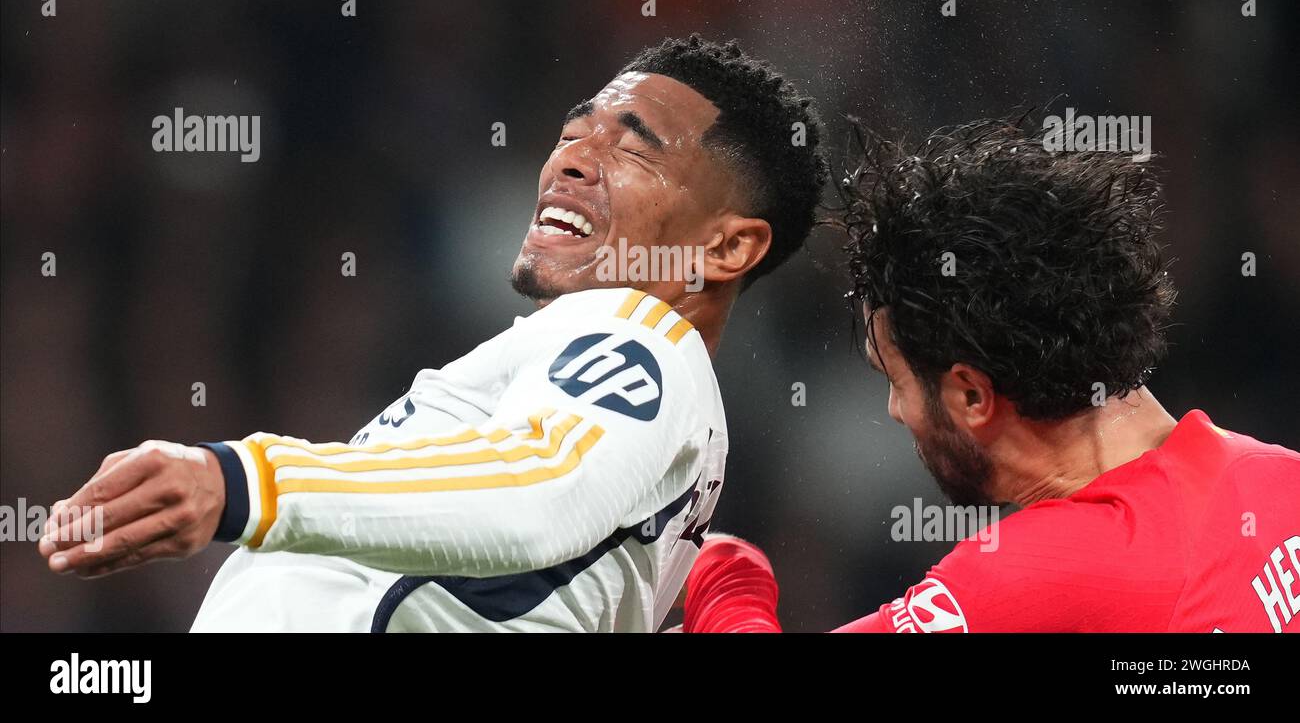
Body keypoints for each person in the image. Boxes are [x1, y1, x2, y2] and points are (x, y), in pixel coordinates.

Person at [39, 35, 829, 632]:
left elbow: (535, 488)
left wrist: (242, 481)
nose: (570, 162)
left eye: (630, 147)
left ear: (727, 247)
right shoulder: (640, 437)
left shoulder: (642, 339)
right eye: (573, 131)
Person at [684, 117, 1300, 633]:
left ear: (972, 394)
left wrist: (721, 569)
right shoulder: (1284, 481)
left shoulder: (1035, 575)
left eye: (895, 379)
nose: (897, 411)